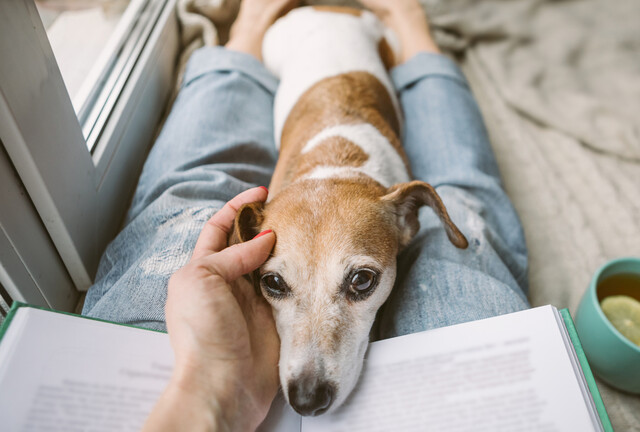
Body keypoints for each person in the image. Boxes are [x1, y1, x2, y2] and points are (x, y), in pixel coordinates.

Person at [81, 0, 530, 430]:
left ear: (408, 217)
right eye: (276, 283)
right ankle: (289, 24)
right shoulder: (271, 209)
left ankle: (260, 30)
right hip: (296, 42)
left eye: (360, 282)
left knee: (191, 189)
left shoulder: (397, 210)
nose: (308, 375)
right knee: (469, 200)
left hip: (354, 40)